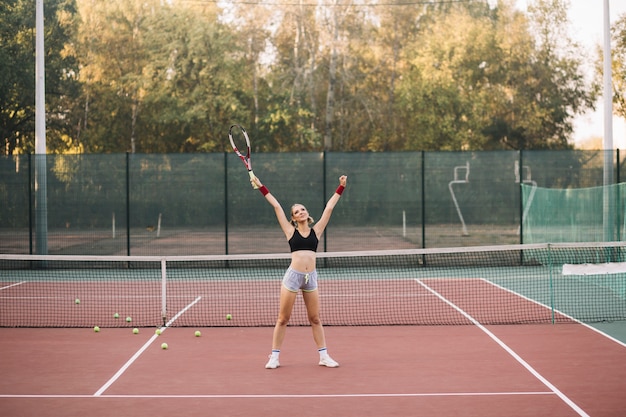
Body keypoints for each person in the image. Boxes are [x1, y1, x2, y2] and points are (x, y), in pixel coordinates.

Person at [251, 174, 347, 369]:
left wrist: (341, 187)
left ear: (307, 213)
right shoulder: (289, 231)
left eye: (303, 209)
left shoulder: (316, 231)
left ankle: (324, 356)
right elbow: (276, 206)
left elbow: (329, 208)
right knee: (283, 318)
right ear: (293, 218)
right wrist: (261, 186)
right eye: (297, 211)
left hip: (311, 277)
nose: (301, 212)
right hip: (293, 277)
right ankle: (274, 357)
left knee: (315, 318)